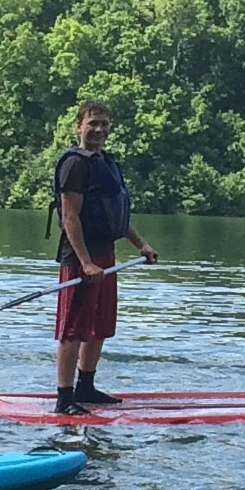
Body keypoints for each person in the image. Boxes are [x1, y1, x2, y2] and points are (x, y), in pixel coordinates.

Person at [51, 100, 156, 414]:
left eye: (104, 124)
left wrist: (142, 245)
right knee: (74, 330)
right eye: (92, 123)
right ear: (79, 125)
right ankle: (64, 399)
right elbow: (71, 217)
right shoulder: (74, 164)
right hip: (80, 257)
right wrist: (84, 261)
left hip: (104, 255)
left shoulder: (106, 162)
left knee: (99, 326)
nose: (98, 130)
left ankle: (86, 387)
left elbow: (116, 215)